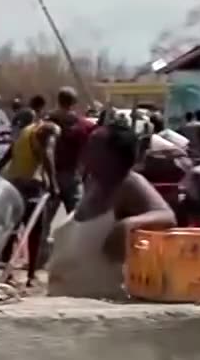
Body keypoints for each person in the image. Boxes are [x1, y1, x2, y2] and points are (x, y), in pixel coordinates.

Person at [46, 122, 177, 299]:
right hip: (62, 302)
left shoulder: (128, 183)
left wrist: (127, 225)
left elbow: (167, 217)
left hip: (99, 305)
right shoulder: (92, 182)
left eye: (94, 146)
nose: (86, 151)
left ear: (115, 155)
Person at [0, 99, 59, 284]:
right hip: (32, 184)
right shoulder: (41, 132)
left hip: (13, 183)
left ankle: (7, 271)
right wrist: (54, 183)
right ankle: (31, 274)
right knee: (35, 231)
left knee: (13, 228)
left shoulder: (21, 134)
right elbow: (47, 156)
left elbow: (8, 154)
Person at [49, 87, 97, 210]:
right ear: (75, 103)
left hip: (50, 175)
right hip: (72, 175)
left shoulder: (47, 122)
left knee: (46, 218)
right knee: (76, 217)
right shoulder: (85, 126)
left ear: (58, 100)